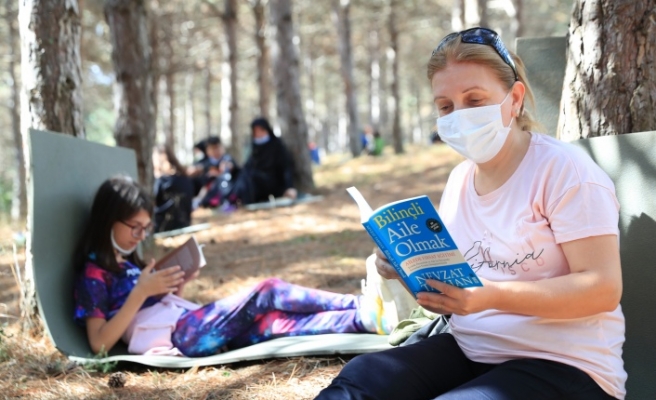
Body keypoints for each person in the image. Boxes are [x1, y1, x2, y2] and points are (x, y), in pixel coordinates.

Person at [317, 27, 625, 400]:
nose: (459, 116)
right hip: (472, 349)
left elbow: (603, 288)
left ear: (514, 99)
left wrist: (491, 296)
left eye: (475, 100)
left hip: (567, 366)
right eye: (445, 106)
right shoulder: (460, 179)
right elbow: (462, 279)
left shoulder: (565, 172)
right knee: (363, 379)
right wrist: (404, 269)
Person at [74, 176, 392, 357]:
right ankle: (360, 304)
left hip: (187, 324)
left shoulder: (128, 262)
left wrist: (176, 284)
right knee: (267, 291)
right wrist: (141, 292)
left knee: (274, 323)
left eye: (145, 229)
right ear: (108, 220)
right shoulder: (94, 276)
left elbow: (156, 306)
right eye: (134, 228)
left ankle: (366, 320)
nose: (140, 236)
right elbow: (98, 342)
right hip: (181, 335)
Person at [227, 117, 297, 205]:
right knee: (242, 174)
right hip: (256, 184)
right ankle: (234, 199)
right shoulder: (255, 147)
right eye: (256, 131)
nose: (258, 134)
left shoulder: (277, 146)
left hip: (273, 183)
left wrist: (289, 187)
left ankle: (234, 200)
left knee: (249, 175)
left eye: (261, 130)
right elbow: (247, 166)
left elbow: (286, 167)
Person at [152, 145, 195, 233]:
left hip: (163, 227)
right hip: (185, 224)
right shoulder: (185, 178)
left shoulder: (162, 180)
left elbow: (153, 202)